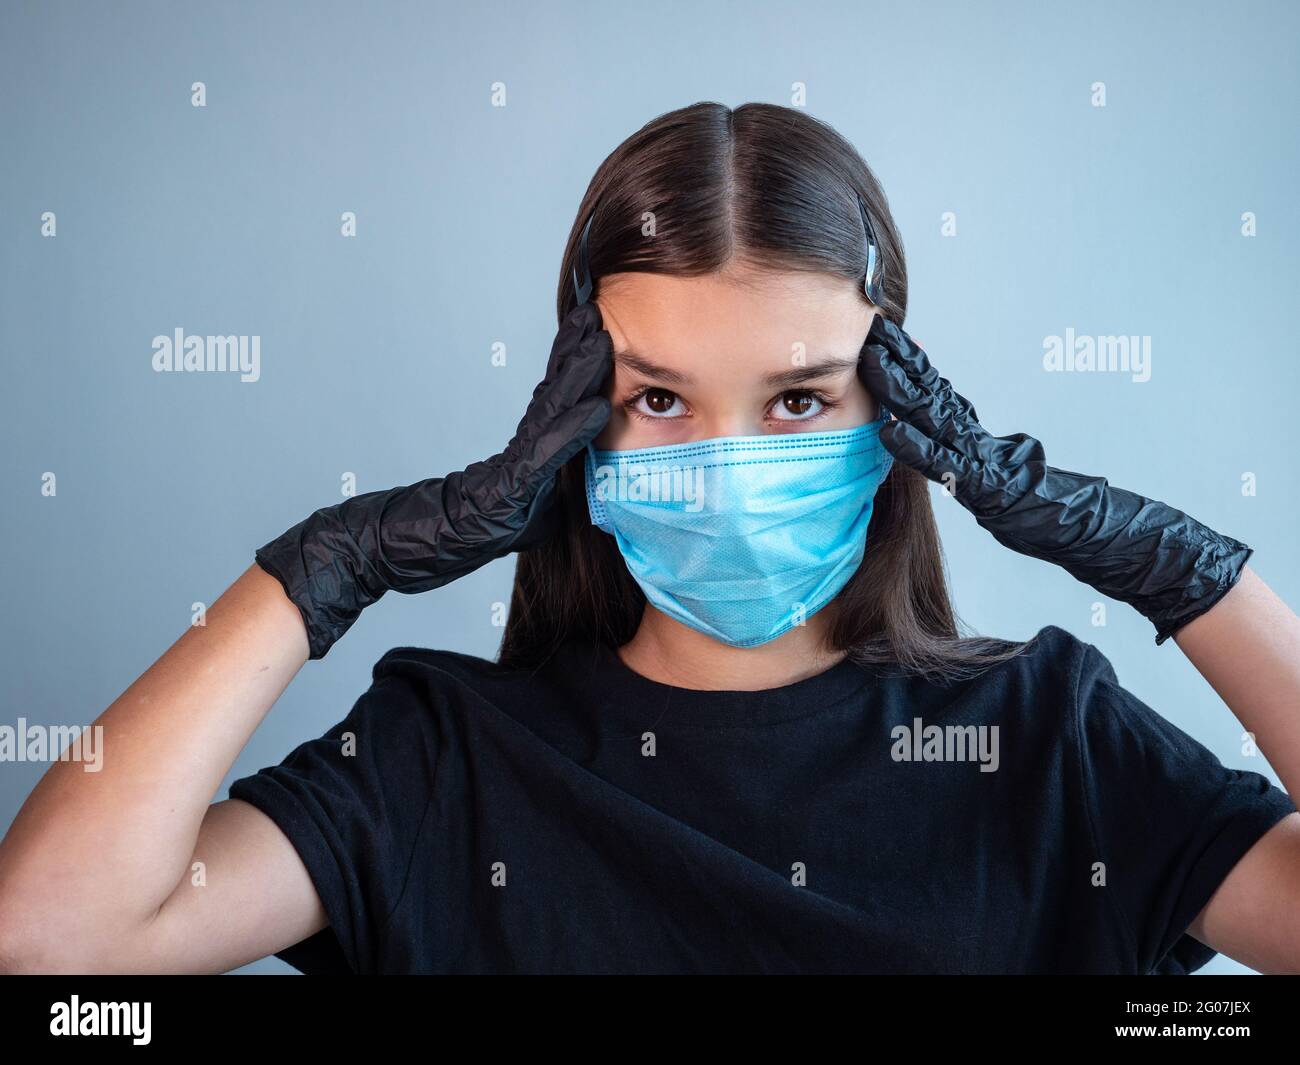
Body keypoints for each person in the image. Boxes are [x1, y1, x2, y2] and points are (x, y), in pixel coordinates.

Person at [1, 102, 1297, 975]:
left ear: (899, 418)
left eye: (798, 400)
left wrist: (1173, 566)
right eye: (659, 399)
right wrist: (340, 560)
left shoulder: (1051, 736)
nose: (730, 462)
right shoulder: (443, 758)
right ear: (570, 425)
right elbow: (49, 937)